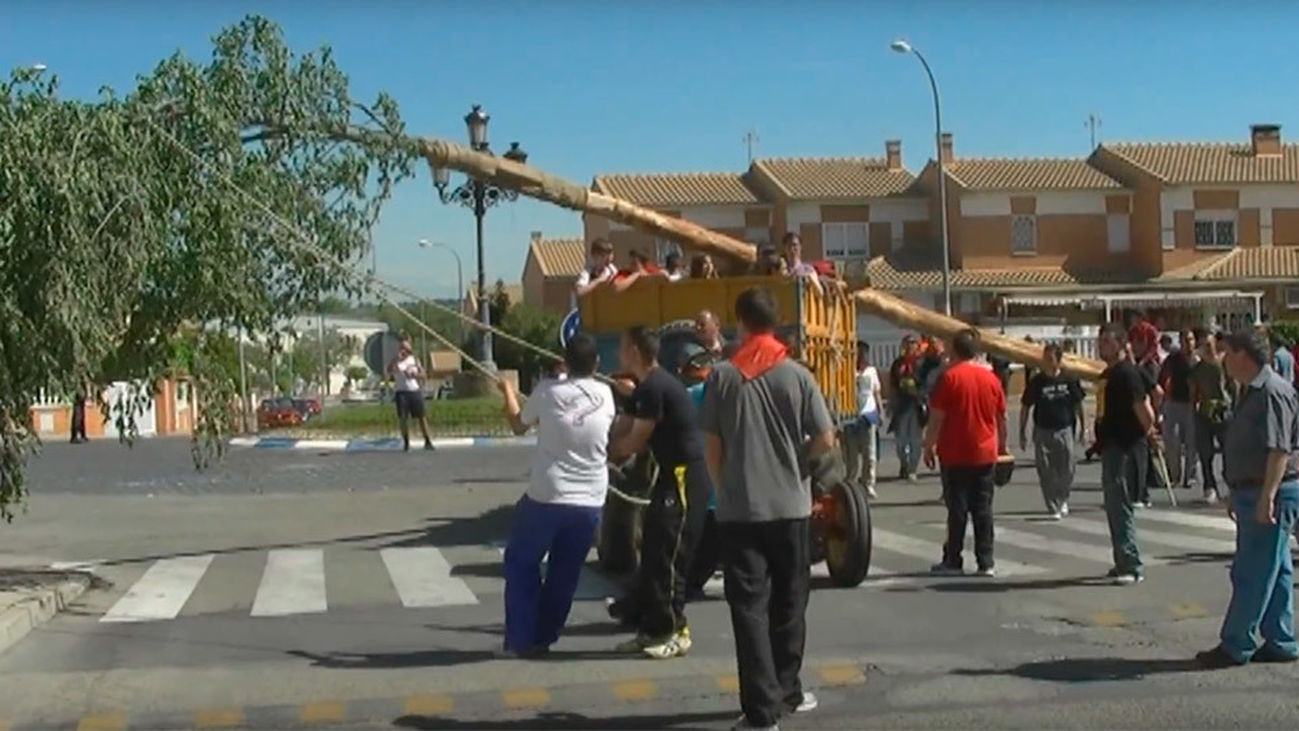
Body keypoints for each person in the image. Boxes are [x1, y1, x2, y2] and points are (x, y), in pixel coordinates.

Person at [700, 287, 834, 730]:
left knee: (749, 609)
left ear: (740, 323)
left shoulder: (721, 377)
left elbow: (712, 447)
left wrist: (725, 489)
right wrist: (801, 468)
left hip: (741, 512)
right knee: (791, 601)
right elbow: (825, 439)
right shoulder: (797, 375)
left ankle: (761, 712)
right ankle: (789, 689)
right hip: (791, 507)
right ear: (774, 324)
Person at [497, 334, 616, 657]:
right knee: (566, 571)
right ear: (597, 364)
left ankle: (520, 639)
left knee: (521, 561)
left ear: (564, 362)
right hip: (591, 497)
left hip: (548, 494)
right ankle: (544, 637)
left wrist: (508, 391)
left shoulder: (547, 391)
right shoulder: (606, 394)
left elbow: (518, 425)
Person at [1195, 329, 1299, 669]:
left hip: (1270, 490)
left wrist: (1265, 497)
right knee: (1277, 569)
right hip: (1251, 488)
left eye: (1227, 352)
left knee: (1251, 571)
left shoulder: (1272, 392)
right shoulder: (1250, 391)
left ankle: (1236, 642)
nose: (1223, 359)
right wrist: (1236, 489)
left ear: (1242, 355)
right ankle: (1280, 638)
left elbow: (1279, 450)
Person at [608, 326, 712, 659]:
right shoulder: (647, 388)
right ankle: (652, 629)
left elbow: (635, 440)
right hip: (670, 477)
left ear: (636, 351)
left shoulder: (655, 387)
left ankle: (675, 631)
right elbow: (624, 426)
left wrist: (606, 455)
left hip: (684, 477)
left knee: (669, 557)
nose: (619, 353)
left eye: (623, 346)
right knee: (653, 553)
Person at [923, 328, 1008, 577]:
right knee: (983, 509)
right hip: (984, 452)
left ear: (954, 350)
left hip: (955, 453)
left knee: (957, 510)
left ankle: (953, 559)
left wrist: (929, 446)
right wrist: (1002, 445)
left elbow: (937, 417)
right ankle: (986, 561)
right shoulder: (992, 379)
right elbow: (1001, 417)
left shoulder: (949, 378)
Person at [1096, 324, 1157, 585]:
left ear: (1121, 344)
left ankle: (1132, 565)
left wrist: (1147, 434)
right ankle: (1122, 559)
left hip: (1123, 447)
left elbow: (1145, 411)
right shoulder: (1110, 374)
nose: (1102, 347)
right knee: (1114, 507)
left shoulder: (1126, 374)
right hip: (1111, 446)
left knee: (1121, 507)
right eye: (1100, 342)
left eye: (1107, 342)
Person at [1020, 343, 1085, 519]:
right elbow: (1025, 406)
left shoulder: (1069, 379)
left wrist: (1083, 428)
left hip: (1064, 429)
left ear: (1058, 360)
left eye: (1050, 358)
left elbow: (1078, 404)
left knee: (1067, 467)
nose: (1046, 361)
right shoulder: (1037, 382)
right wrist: (1022, 432)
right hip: (1043, 430)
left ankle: (1063, 498)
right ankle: (1053, 504)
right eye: (1044, 358)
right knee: (1045, 469)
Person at [680, 344, 721, 600]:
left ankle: (690, 582)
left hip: (702, 480)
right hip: (727, 483)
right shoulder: (724, 392)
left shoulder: (690, 395)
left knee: (700, 540)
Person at [1191, 330, 1231, 504]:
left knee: (1229, 450)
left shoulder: (1224, 363)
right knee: (1205, 452)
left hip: (1224, 411)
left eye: (1209, 344)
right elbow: (1193, 392)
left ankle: (1231, 481)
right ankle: (1209, 485)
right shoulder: (1197, 369)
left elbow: (1234, 386)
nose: (1206, 348)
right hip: (1205, 412)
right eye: (1203, 345)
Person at [1159, 329, 1199, 489]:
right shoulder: (1173, 359)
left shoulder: (1197, 360)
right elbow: (1164, 378)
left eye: (1190, 339)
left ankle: (1190, 476)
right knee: (1172, 440)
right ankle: (1174, 475)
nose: (1187, 343)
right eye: (1184, 340)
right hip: (1173, 402)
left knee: (1191, 442)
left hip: (1191, 404)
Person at [843, 341, 882, 499]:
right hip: (851, 416)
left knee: (869, 453)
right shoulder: (846, 370)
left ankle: (868, 483)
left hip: (868, 414)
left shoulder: (871, 371)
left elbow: (876, 392)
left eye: (863, 353)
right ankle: (851, 483)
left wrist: (880, 411)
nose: (861, 356)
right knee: (851, 456)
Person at [386, 338, 433, 452]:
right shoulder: (396, 361)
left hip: (414, 390)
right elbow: (388, 371)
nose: (404, 350)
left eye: (406, 348)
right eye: (402, 348)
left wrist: (415, 375)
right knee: (403, 418)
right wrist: (396, 360)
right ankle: (406, 442)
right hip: (401, 392)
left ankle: (427, 441)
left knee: (421, 417)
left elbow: (423, 375)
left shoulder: (414, 360)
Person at [888, 335, 924, 481]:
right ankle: (904, 463)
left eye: (913, 343)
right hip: (901, 405)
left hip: (917, 405)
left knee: (915, 439)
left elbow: (927, 383)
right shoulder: (898, 364)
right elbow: (892, 385)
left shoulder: (921, 364)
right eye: (907, 344)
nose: (910, 346)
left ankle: (912, 469)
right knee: (901, 440)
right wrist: (891, 404)